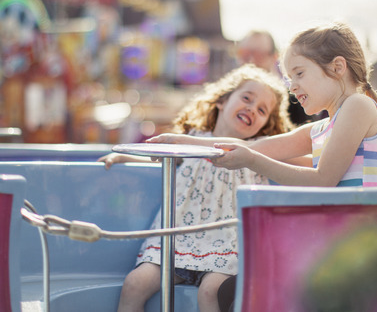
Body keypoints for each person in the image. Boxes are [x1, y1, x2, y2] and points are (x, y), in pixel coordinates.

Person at [149, 22, 377, 311]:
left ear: (337, 67)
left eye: (298, 74)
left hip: (363, 248)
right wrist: (179, 142)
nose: (292, 86)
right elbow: (255, 146)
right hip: (340, 245)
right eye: (288, 77)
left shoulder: (358, 106)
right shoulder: (322, 128)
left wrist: (253, 162)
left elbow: (323, 179)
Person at [98, 64, 293, 312]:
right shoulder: (193, 138)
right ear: (222, 101)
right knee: (135, 284)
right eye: (246, 98)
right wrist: (125, 158)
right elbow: (167, 161)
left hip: (225, 246)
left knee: (211, 292)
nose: (251, 109)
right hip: (177, 241)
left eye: (262, 110)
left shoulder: (257, 151)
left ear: (265, 126)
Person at [234, 30, 318, 125]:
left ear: (274, 57)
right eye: (245, 54)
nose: (251, 60)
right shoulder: (226, 94)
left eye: (259, 55)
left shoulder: (294, 102)